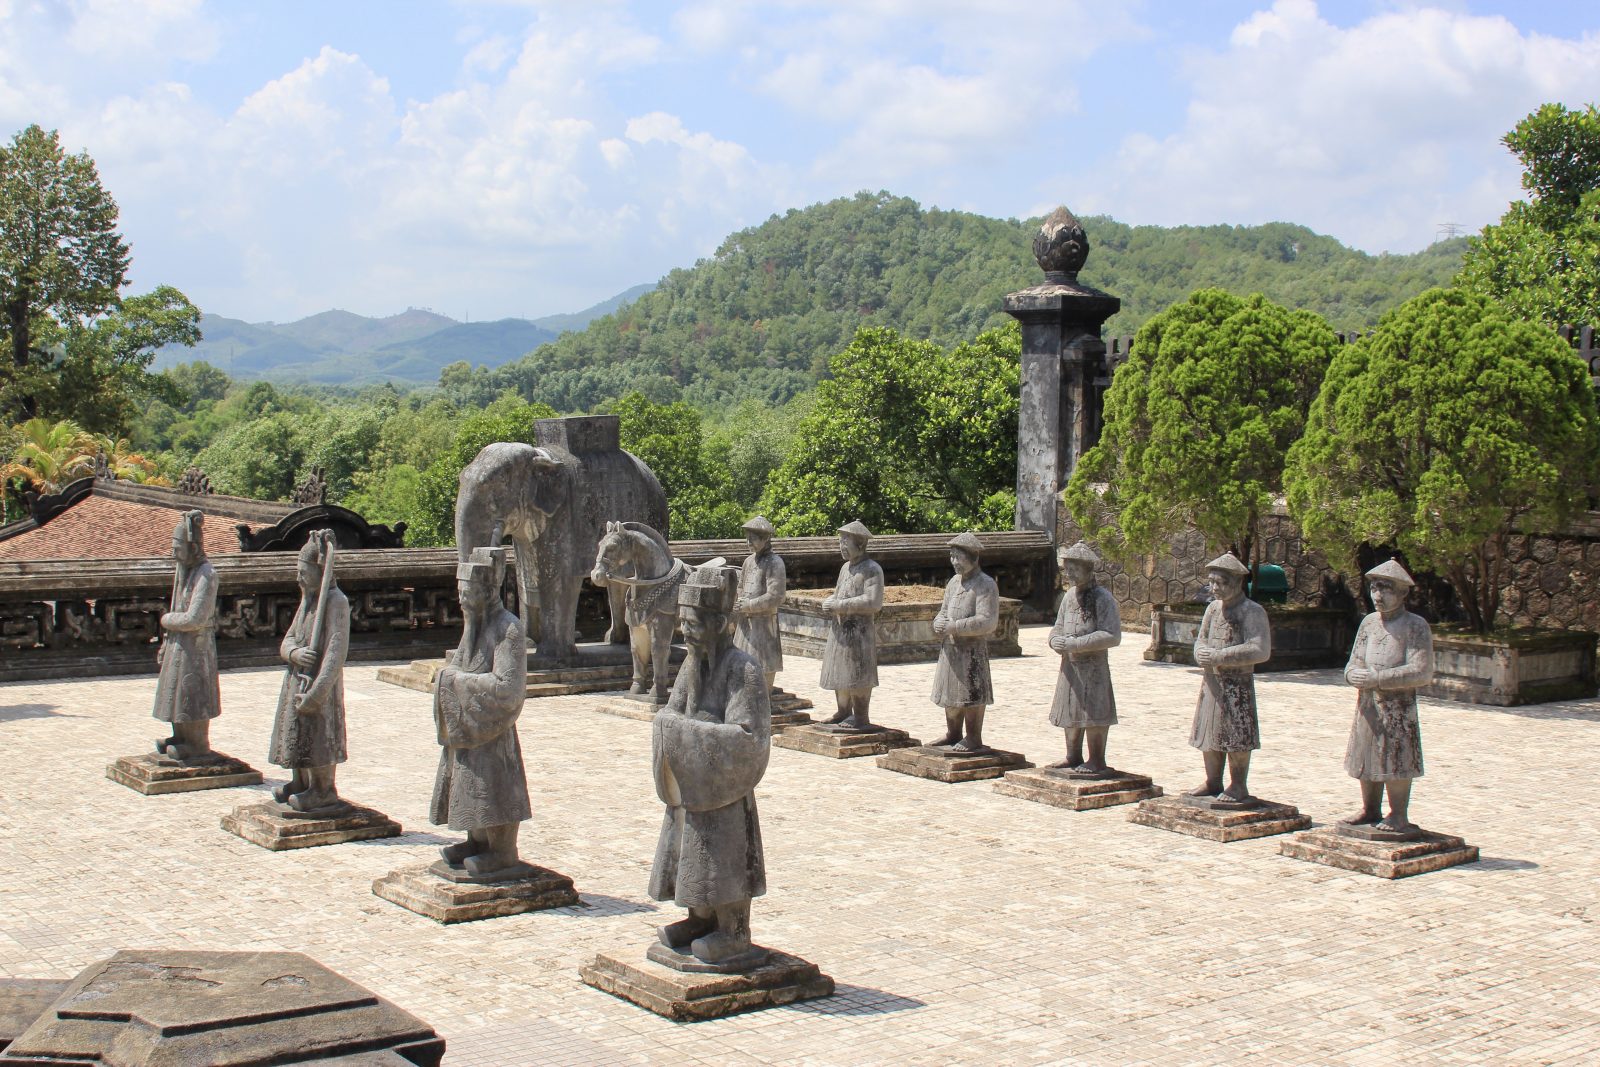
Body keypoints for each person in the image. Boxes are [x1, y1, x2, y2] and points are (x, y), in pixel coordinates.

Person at [649, 562, 772, 966]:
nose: (684, 630)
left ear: (719, 624)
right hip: (692, 781)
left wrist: (686, 733)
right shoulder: (691, 664)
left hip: (723, 788)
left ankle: (733, 930)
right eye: (683, 621)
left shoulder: (743, 669)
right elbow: (671, 712)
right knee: (691, 850)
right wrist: (673, 728)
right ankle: (699, 918)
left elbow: (749, 738)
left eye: (693, 623)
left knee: (725, 854)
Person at [431, 546, 531, 880]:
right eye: (460, 591)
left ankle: (502, 851)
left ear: (487, 591)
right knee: (467, 780)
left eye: (468, 591)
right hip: (467, 724)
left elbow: (508, 688)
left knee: (494, 784)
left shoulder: (508, 628)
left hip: (492, 727)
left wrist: (453, 681)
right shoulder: (473, 626)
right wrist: (451, 678)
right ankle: (476, 840)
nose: (461, 598)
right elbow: (462, 666)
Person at [1340, 559, 1434, 836]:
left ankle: (1398, 814)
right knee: (1365, 756)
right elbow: (1354, 661)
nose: (1378, 595)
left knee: (1397, 758)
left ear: (1403, 593)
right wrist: (1353, 675)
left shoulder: (1415, 626)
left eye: (1386, 589)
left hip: (1398, 706)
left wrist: (1379, 678)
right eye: (1374, 589)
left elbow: (1421, 670)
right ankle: (1370, 808)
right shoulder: (1369, 623)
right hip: (1368, 704)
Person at [268, 531, 350, 814]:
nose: (299, 578)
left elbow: (335, 654)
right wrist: (295, 653)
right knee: (298, 732)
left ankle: (323, 789)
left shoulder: (336, 602)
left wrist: (317, 694)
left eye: (304, 572)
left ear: (319, 572)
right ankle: (300, 781)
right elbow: (287, 640)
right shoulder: (308, 601)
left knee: (318, 735)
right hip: (297, 678)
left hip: (319, 686)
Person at [1188, 552, 1271, 803]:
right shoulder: (1213, 609)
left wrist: (1220, 656)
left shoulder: (1252, 611)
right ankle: (1213, 780)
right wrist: (1200, 652)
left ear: (1237, 582)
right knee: (1208, 733)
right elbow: (1201, 639)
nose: (1214, 588)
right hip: (1211, 682)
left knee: (1236, 736)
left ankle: (1238, 784)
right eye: (1211, 582)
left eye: (1220, 582)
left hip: (1237, 684)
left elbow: (1260, 649)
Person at [153, 510, 222, 761]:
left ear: (192, 547)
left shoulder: (206, 574)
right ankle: (180, 736)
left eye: (177, 548)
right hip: (179, 643)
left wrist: (166, 620)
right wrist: (166, 642)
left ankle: (197, 743)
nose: (173, 553)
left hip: (196, 646)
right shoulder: (183, 571)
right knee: (177, 693)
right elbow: (178, 606)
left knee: (193, 693)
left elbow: (195, 618)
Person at [1048, 541, 1122, 773]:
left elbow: (1112, 635)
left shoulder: (1102, 598)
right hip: (1070, 666)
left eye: (1075, 569)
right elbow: (1057, 627)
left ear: (1089, 569)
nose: (1069, 574)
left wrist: (1076, 644)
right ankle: (1072, 755)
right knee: (1070, 710)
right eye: (1067, 569)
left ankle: (1096, 759)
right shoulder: (1069, 596)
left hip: (1093, 667)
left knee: (1094, 713)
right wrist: (1054, 640)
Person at [929, 532, 1000, 753]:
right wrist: (939, 622)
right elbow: (943, 611)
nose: (954, 562)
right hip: (950, 648)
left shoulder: (985, 584)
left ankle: (973, 736)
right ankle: (953, 732)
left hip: (972, 650)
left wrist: (956, 627)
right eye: (952, 556)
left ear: (974, 558)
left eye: (958, 557)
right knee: (950, 693)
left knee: (972, 694)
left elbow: (987, 621)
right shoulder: (953, 582)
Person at [818, 520, 884, 731]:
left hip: (859, 631)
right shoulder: (845, 568)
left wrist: (840, 605)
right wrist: (832, 600)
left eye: (846, 543)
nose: (842, 547)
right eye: (840, 542)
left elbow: (873, 602)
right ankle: (843, 710)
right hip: (840, 630)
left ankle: (861, 716)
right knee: (840, 670)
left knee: (858, 672)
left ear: (861, 544)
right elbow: (840, 593)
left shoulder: (872, 569)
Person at [733, 515, 785, 691]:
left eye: (753, 538)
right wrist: (738, 602)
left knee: (761, 672)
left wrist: (750, 605)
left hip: (763, 624)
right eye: (747, 537)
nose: (748, 542)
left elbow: (776, 596)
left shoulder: (775, 562)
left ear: (765, 539)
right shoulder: (748, 561)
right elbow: (741, 586)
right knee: (739, 670)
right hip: (745, 625)